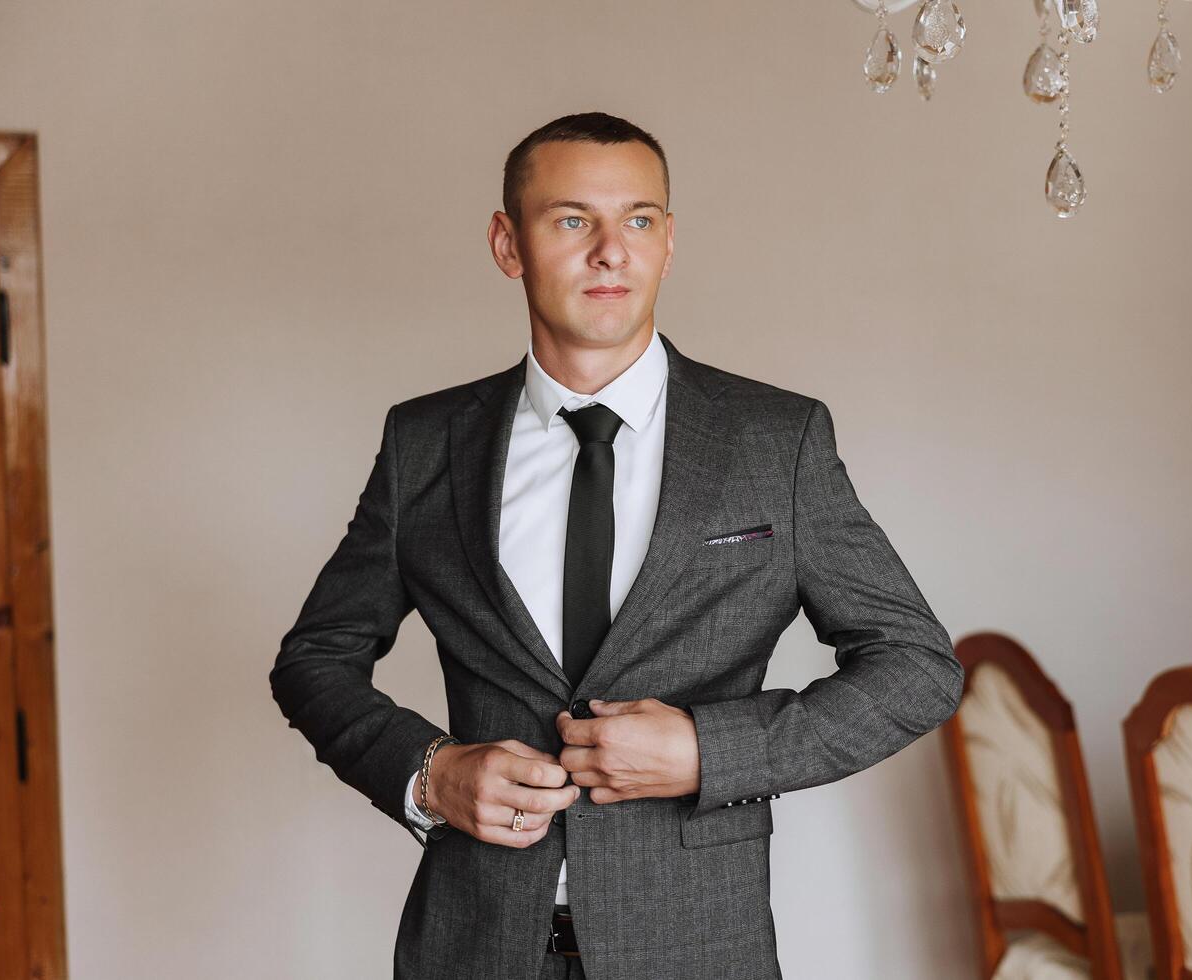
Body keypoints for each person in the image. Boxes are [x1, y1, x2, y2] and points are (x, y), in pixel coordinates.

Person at [269, 111, 964, 980]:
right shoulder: (426, 443)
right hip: (472, 947)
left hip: (699, 949)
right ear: (507, 243)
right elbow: (315, 659)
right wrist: (430, 773)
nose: (611, 251)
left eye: (638, 220)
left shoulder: (774, 440)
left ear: (668, 242)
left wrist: (714, 751)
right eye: (572, 220)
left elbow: (918, 666)